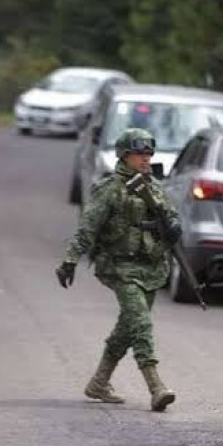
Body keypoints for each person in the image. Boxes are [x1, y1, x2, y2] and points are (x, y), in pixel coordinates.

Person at [56, 128, 181, 412]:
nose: (146, 159)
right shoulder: (109, 189)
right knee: (141, 325)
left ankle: (99, 382)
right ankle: (156, 386)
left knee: (128, 326)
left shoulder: (155, 188)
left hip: (151, 268)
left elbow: (171, 217)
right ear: (124, 156)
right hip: (120, 267)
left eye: (149, 154)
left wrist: (173, 228)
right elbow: (87, 228)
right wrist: (70, 261)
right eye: (139, 154)